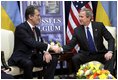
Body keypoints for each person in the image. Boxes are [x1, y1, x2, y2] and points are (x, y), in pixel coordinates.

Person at [55, 8, 115, 75]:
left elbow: (110, 39)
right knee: (75, 58)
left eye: (82, 17)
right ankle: (81, 76)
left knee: (113, 54)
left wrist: (109, 52)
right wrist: (60, 49)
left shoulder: (99, 26)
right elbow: (70, 45)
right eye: (79, 16)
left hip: (100, 54)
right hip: (86, 55)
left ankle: (107, 75)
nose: (79, 19)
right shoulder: (77, 31)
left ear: (88, 17)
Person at [8, 5, 58, 79]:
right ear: (30, 16)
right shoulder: (21, 28)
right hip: (21, 56)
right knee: (28, 63)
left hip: (32, 57)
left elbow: (39, 43)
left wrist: (45, 52)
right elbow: (32, 43)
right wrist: (50, 47)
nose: (39, 18)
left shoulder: (37, 30)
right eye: (38, 15)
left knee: (53, 59)